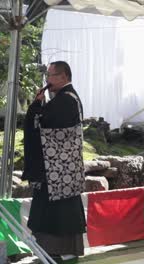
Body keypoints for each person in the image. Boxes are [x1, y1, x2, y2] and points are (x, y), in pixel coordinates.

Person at [22, 61, 86, 261]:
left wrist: (36, 107)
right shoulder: (65, 98)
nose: (47, 80)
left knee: (57, 212)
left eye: (51, 75)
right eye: (48, 75)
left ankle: (56, 249)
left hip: (57, 169)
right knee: (56, 210)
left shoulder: (67, 99)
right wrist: (40, 105)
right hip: (59, 167)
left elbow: (43, 123)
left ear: (64, 76)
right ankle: (52, 249)